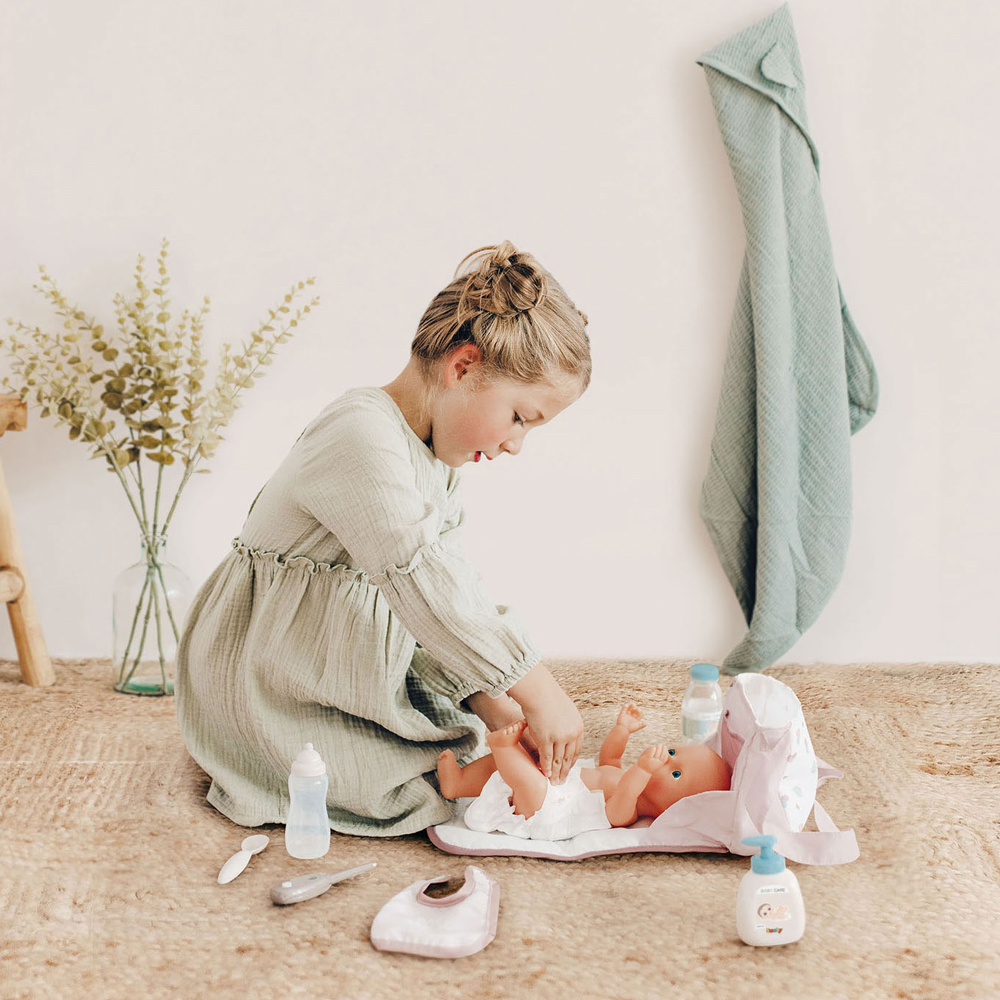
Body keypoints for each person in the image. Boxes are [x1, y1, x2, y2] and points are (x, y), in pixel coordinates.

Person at [175, 241, 592, 837]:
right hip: (266, 676)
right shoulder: (359, 433)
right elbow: (423, 581)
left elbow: (445, 602)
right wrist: (538, 689)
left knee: (470, 747)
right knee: (402, 791)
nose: (515, 445)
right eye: (520, 417)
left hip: (337, 654)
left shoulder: (437, 465)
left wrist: (492, 701)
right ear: (463, 366)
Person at [436, 706, 732, 841]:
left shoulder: (628, 812)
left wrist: (643, 769)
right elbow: (610, 758)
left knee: (529, 781)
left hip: (547, 813)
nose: (666, 759)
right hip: (556, 783)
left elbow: (625, 793)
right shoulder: (621, 775)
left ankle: (503, 747)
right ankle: (458, 784)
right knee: (515, 765)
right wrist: (622, 730)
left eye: (676, 774)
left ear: (671, 809)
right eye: (673, 752)